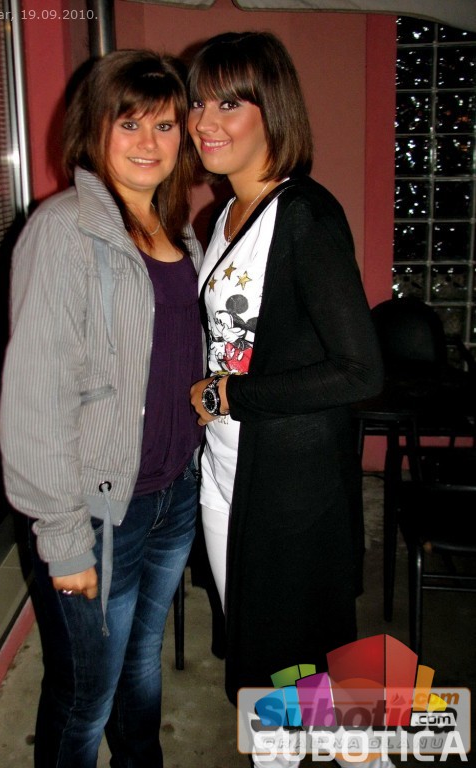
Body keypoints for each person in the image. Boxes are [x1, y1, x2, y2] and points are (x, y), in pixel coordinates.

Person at [187, 32, 392, 768]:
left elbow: (360, 371)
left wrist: (232, 393)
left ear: (271, 110)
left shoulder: (302, 214)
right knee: (258, 654)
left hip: (288, 483)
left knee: (288, 663)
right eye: (197, 103)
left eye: (228, 104)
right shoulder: (223, 217)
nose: (204, 122)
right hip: (225, 470)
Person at [0, 49, 203, 768]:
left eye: (165, 125)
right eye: (130, 123)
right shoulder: (63, 230)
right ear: (95, 129)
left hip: (172, 494)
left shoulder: (177, 230)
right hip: (98, 509)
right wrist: (62, 537)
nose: (150, 142)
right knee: (85, 694)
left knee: (141, 664)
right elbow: (36, 395)